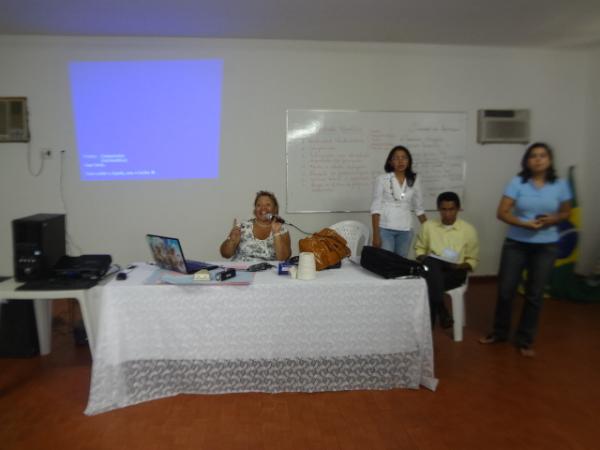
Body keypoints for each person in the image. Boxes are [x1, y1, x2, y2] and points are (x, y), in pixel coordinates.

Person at [480, 142, 572, 357]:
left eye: (542, 155)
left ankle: (525, 339)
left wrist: (554, 218)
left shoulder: (560, 184)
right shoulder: (517, 182)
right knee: (505, 290)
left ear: (549, 160)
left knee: (535, 294)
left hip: (546, 245)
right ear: (526, 161)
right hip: (516, 243)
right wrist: (524, 224)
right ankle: (499, 332)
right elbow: (502, 212)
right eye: (533, 156)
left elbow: (566, 213)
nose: (538, 159)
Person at [415, 192, 479, 328]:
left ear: (458, 209)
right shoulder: (428, 226)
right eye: (444, 209)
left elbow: (472, 260)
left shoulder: (468, 230)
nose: (448, 214)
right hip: (432, 268)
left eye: (451, 209)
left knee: (429, 280)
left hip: (455, 271)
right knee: (431, 263)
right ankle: (442, 311)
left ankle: (431, 324)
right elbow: (419, 251)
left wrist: (459, 266)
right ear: (438, 209)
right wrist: (425, 258)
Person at [371, 146, 427, 257]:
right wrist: (376, 236)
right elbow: (375, 209)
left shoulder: (414, 179)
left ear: (409, 161)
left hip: (406, 230)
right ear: (390, 162)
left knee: (400, 264)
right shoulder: (382, 179)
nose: (400, 161)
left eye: (404, 158)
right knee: (386, 264)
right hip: (385, 228)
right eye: (396, 158)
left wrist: (431, 231)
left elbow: (419, 208)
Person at [220, 190, 292, 262]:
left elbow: (283, 259)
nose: (263, 208)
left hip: (268, 272)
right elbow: (225, 254)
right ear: (255, 209)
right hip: (240, 270)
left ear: (275, 209)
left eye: (268, 205)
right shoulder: (242, 226)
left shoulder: (282, 230)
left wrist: (276, 233)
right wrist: (231, 240)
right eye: (259, 205)